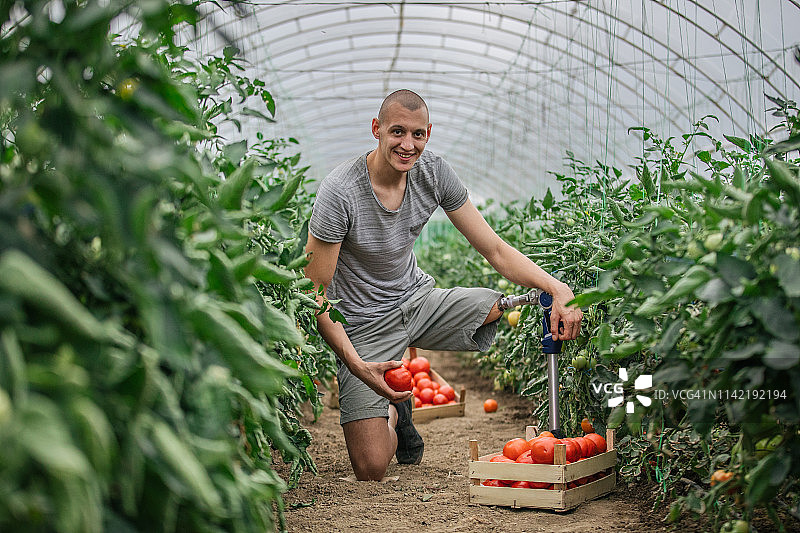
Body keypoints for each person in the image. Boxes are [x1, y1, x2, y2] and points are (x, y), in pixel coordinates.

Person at [305, 89, 583, 481]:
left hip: (417, 301)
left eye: (417, 135)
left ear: (428, 135)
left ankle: (396, 385)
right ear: (376, 129)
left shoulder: (433, 173)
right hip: (363, 326)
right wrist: (355, 363)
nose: (407, 144)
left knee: (496, 307)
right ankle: (394, 411)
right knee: (371, 469)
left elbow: (496, 250)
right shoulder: (341, 192)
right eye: (397, 132)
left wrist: (556, 287)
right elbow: (315, 291)